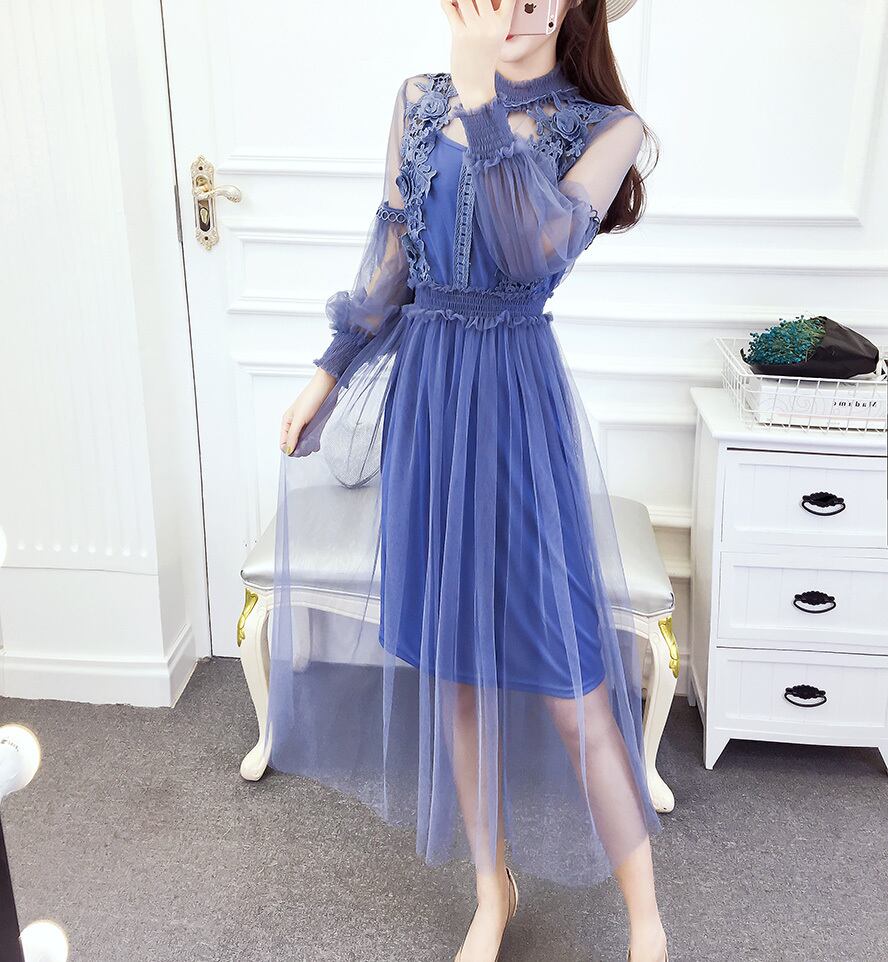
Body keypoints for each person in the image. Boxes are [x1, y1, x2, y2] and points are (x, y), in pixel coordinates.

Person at [273, 1, 668, 960]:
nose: (518, 7)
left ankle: (648, 923)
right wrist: (329, 370)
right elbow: (394, 250)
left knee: (575, 689)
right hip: (431, 402)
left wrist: (484, 93)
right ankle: (493, 892)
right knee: (452, 675)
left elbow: (535, 248)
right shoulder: (418, 98)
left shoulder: (608, 128)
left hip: (516, 405)